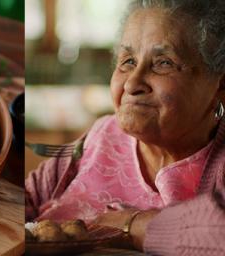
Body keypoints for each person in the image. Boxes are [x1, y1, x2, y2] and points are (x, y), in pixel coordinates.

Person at [25, 0, 225, 254]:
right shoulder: (101, 136)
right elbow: (27, 199)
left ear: (220, 84)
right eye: (128, 61)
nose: (132, 83)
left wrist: (133, 225)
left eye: (163, 62)